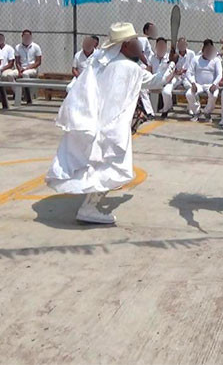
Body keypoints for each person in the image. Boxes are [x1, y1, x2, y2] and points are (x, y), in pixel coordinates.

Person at [46, 22, 169, 224]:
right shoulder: (129, 68)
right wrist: (168, 65)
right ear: (125, 45)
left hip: (94, 122)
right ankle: (89, 208)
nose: (140, 45)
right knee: (108, 168)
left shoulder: (100, 62)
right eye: (135, 41)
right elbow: (156, 82)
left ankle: (89, 203)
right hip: (112, 127)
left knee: (97, 166)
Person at [185, 39, 223, 122]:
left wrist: (214, 84)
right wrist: (193, 83)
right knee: (188, 94)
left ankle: (207, 112)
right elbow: (188, 73)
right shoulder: (195, 59)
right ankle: (196, 112)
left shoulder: (216, 60)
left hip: (211, 85)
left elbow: (220, 74)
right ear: (202, 51)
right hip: (198, 84)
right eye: (207, 51)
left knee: (215, 95)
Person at [159, 37, 195, 117]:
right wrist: (176, 71)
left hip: (187, 76)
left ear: (186, 45)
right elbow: (169, 67)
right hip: (175, 77)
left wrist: (184, 71)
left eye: (183, 44)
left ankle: (191, 108)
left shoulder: (191, 54)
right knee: (166, 91)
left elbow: (193, 67)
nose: (181, 46)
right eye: (180, 44)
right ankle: (166, 108)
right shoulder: (173, 54)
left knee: (191, 88)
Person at [14, 29, 42, 103]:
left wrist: (27, 68)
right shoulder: (17, 47)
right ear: (22, 37)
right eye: (25, 36)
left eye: (28, 36)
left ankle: (27, 96)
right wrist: (19, 69)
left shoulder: (36, 47)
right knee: (9, 75)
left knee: (25, 74)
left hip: (32, 68)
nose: (27, 38)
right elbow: (17, 62)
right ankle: (18, 94)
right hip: (21, 68)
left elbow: (38, 62)